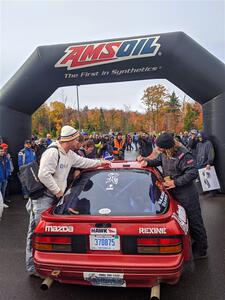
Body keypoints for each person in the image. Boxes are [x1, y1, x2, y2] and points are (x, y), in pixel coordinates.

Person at [26, 125, 110, 277]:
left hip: (54, 197)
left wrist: (100, 162)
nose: (78, 141)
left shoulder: (70, 154)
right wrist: (58, 192)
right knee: (36, 231)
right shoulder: (52, 152)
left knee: (49, 232)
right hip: (42, 197)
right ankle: (32, 267)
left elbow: (84, 162)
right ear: (70, 139)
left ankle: (47, 264)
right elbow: (44, 174)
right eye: (76, 139)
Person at [140, 132, 208, 260]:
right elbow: (158, 160)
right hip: (172, 192)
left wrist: (175, 182)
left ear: (167, 146)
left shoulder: (183, 154)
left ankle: (202, 249)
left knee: (194, 221)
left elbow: (192, 173)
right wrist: (147, 163)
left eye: (160, 148)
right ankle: (190, 242)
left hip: (186, 193)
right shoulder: (165, 152)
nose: (158, 150)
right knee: (181, 220)